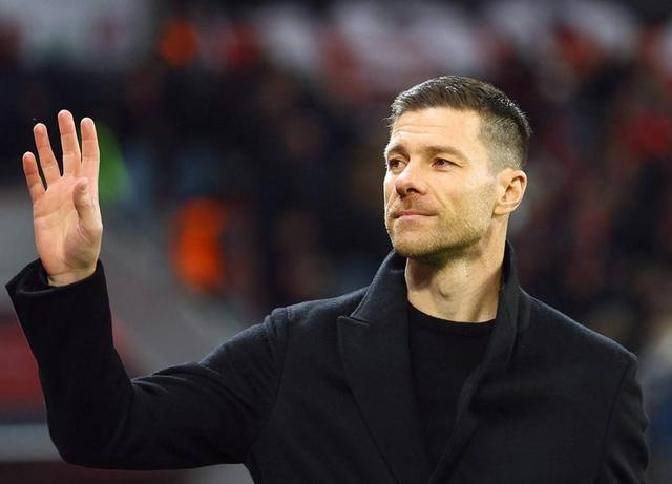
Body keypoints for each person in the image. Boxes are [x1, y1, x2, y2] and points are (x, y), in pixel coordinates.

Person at [6, 76, 648, 483]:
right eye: (396, 160)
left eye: (441, 162)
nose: (406, 180)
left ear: (509, 191)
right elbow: (104, 429)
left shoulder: (594, 380)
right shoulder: (294, 350)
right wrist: (73, 280)